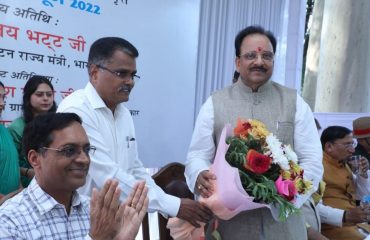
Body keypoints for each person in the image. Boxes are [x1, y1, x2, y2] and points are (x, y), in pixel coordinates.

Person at [185, 25, 323, 240]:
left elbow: (312, 159)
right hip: (230, 225)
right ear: (237, 62)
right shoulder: (215, 102)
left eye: (266, 56)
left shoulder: (294, 101)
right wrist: (199, 174)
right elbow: (197, 155)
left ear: (273, 61)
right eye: (251, 55)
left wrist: (286, 196)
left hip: (284, 226)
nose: (259, 62)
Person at [57, 37, 212, 227]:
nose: (130, 82)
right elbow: (106, 176)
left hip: (116, 221)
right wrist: (173, 205)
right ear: (94, 72)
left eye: (133, 75)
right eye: (122, 73)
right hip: (78, 222)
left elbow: (135, 168)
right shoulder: (76, 110)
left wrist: (167, 204)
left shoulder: (124, 113)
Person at [0, 112, 148, 239]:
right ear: (35, 159)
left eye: (87, 150)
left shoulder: (94, 211)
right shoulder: (9, 219)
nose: (84, 159)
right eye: (69, 150)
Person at [320, 126, 370, 240]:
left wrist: (363, 174)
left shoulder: (345, 164)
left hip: (357, 225)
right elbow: (312, 207)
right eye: (347, 144)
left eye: (353, 144)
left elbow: (364, 196)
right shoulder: (318, 166)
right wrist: (344, 215)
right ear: (329, 147)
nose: (352, 150)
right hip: (333, 229)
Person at [7, 75, 57, 187]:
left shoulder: (58, 124)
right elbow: (10, 165)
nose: (46, 98)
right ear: (28, 98)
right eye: (39, 94)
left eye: (49, 95)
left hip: (55, 184)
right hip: (25, 187)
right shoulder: (17, 127)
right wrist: (27, 172)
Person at [0, 81, 22, 199]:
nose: (2, 103)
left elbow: (12, 167)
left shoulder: (4, 130)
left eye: (3, 97)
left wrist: (21, 191)